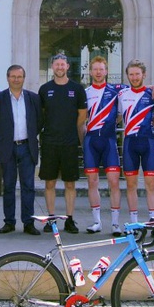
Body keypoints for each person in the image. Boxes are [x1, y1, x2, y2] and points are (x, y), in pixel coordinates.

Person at [0, 64, 42, 235]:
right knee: (9, 186)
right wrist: (2, 139)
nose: (16, 80)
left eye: (19, 77)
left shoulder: (33, 98)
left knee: (28, 186)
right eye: (13, 76)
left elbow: (39, 122)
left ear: (24, 78)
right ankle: (9, 222)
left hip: (27, 147)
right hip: (7, 148)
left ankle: (28, 223)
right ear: (7, 78)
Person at [38, 53, 87, 234]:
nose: (59, 67)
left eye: (62, 64)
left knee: (70, 183)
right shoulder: (45, 89)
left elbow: (82, 115)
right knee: (49, 183)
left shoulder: (77, 89)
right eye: (56, 64)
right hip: (50, 142)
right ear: (53, 66)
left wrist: (69, 129)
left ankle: (69, 219)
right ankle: (51, 219)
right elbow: (42, 114)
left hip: (69, 142)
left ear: (67, 67)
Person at [118, 60, 154, 225]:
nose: (135, 77)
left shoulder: (152, 94)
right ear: (127, 76)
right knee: (131, 184)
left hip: (148, 143)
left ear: (144, 75)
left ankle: (153, 218)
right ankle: (134, 220)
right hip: (130, 144)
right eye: (131, 74)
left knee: (151, 184)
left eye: (137, 74)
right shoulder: (122, 94)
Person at [82, 56, 124, 235]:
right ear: (90, 72)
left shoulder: (117, 91)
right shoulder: (85, 92)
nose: (98, 72)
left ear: (106, 71)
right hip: (91, 140)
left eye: (101, 69)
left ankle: (115, 224)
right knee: (92, 182)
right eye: (95, 69)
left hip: (109, 141)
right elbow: (82, 117)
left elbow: (121, 114)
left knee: (114, 182)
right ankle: (96, 221)